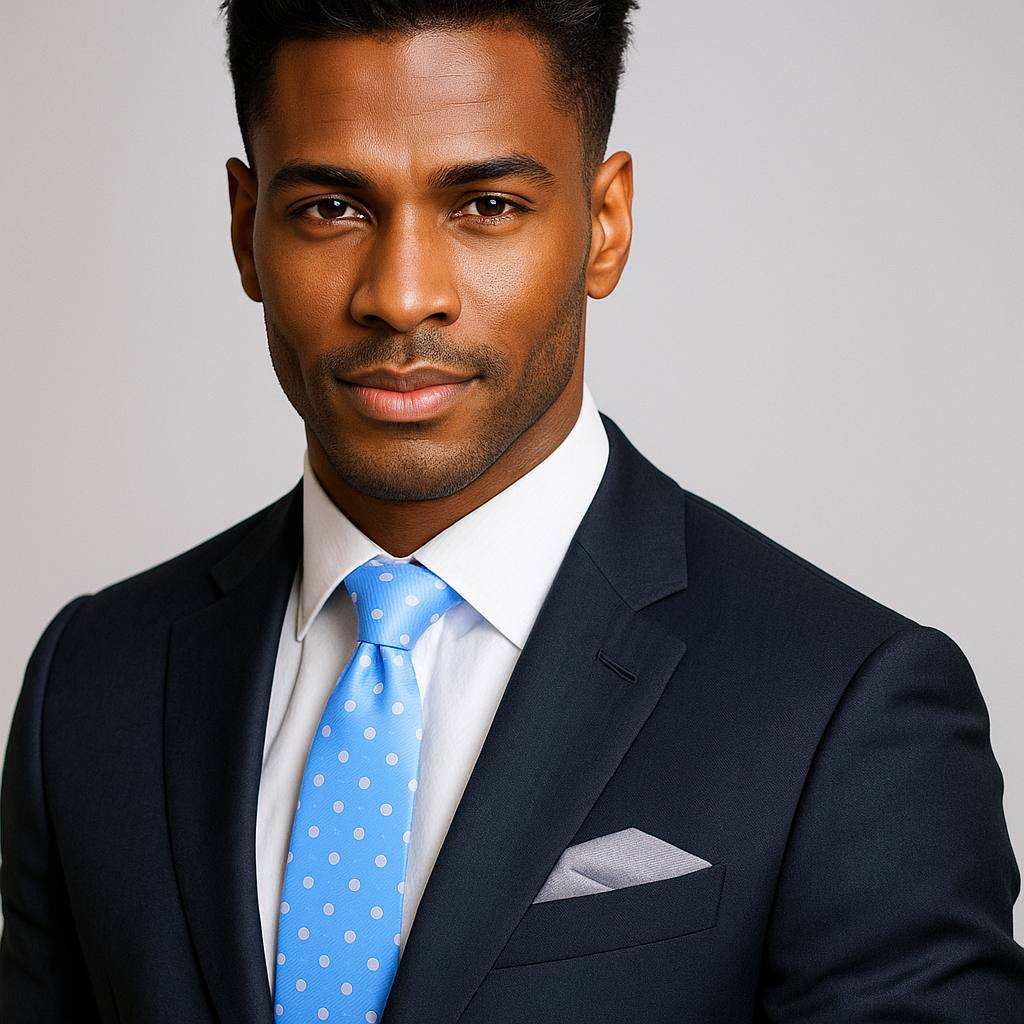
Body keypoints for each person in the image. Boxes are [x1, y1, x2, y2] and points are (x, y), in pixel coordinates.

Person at [1, 0, 1021, 1020]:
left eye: (484, 205)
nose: (401, 295)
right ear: (244, 228)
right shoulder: (91, 684)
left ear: (604, 224)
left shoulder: (843, 708)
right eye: (330, 208)